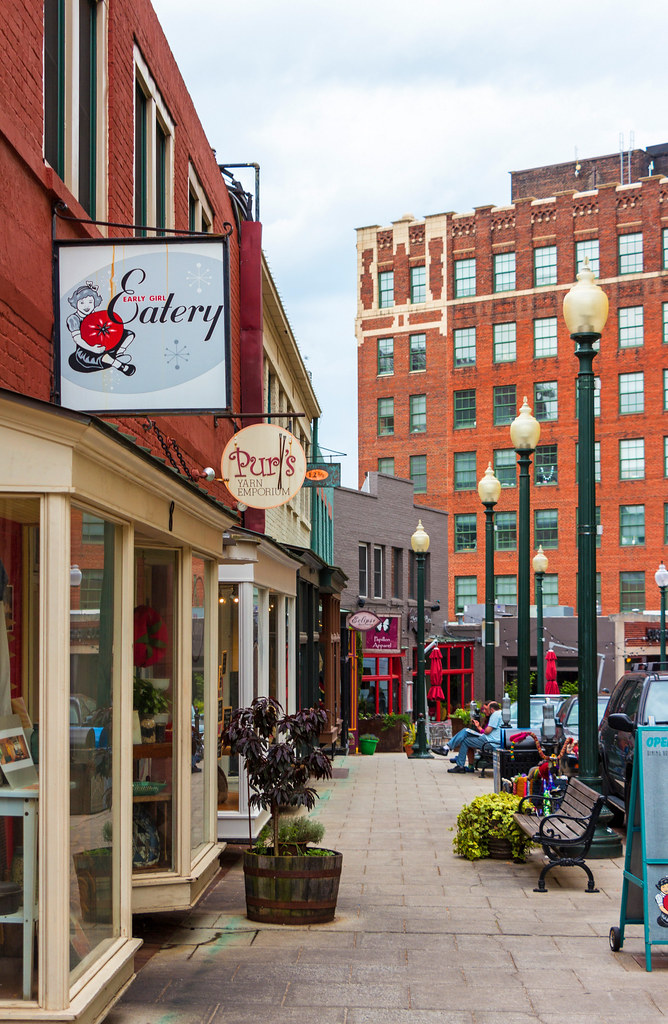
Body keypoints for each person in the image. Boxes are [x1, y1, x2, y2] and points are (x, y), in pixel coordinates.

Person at [447, 700, 503, 773]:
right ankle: (457, 758)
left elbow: (487, 731)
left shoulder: (495, 715)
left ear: (491, 710)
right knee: (466, 734)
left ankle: (458, 762)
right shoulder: (501, 713)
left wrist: (480, 728)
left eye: (486, 709)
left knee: (465, 738)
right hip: (492, 740)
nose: (484, 711)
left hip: (490, 742)